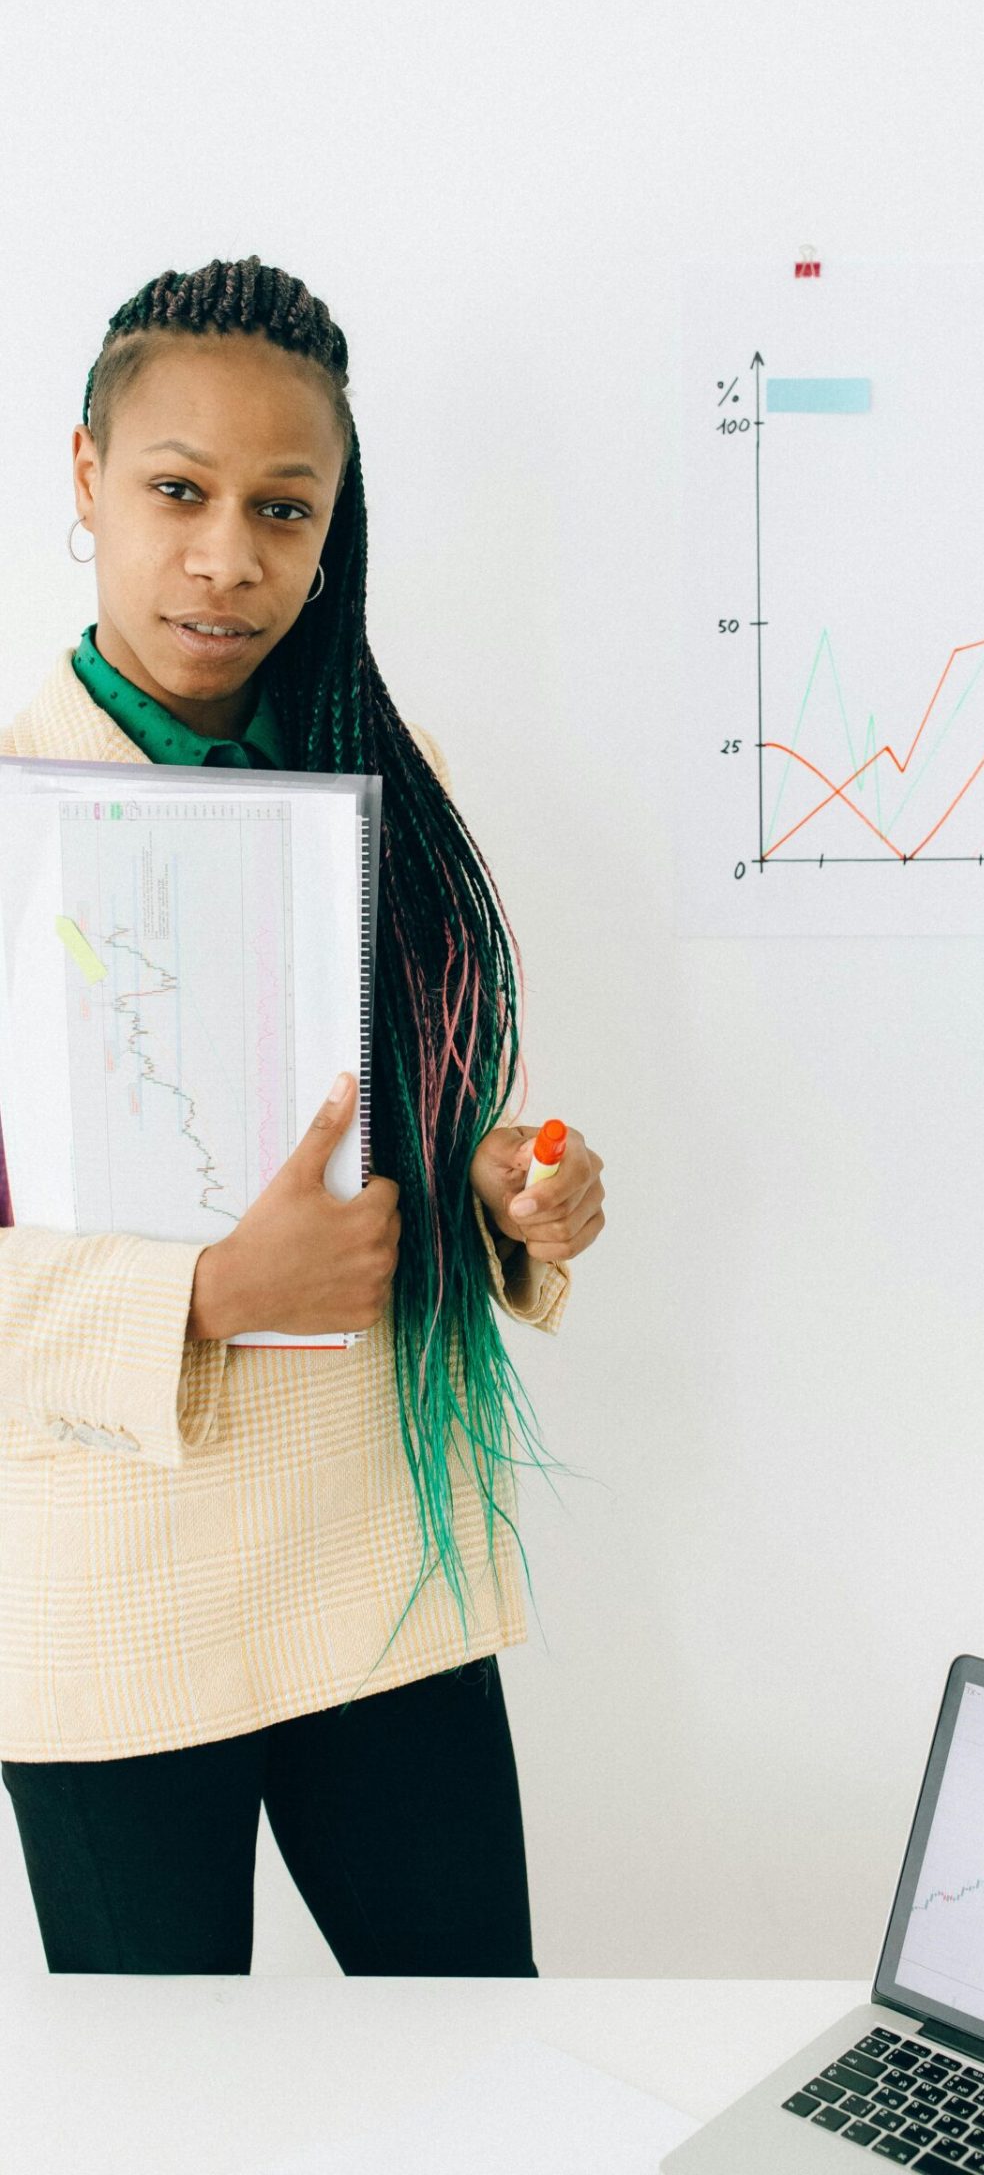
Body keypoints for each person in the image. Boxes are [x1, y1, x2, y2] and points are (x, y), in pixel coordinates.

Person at [0, 253, 606, 1975]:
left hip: (378, 1577)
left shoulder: (373, 763)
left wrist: (507, 1188)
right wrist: (201, 1294)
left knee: (473, 2063)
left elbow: (413, 1130)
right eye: (177, 491)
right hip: (110, 1611)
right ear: (84, 482)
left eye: (286, 507)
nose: (226, 555)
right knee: (169, 2125)